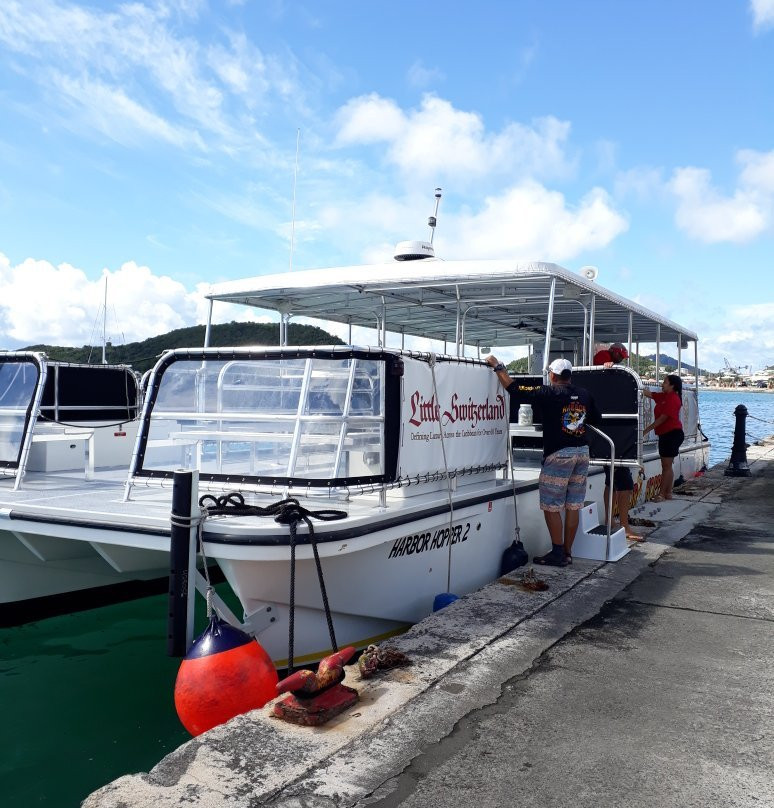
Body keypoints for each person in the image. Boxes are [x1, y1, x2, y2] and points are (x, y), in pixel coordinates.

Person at [487, 355, 602, 566]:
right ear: (569, 376)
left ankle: (557, 553)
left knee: (551, 505)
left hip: (559, 454)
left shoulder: (548, 392)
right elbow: (597, 418)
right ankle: (567, 553)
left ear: (552, 375)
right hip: (582, 452)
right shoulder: (584, 394)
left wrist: (498, 367)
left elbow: (513, 389)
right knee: (573, 505)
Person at [643, 374, 684, 501]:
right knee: (668, 465)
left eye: (665, 382)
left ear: (672, 385)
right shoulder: (665, 396)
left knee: (665, 466)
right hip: (667, 434)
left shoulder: (673, 398)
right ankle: (668, 493)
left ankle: (661, 494)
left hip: (671, 434)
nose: (662, 384)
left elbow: (663, 418)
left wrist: (645, 430)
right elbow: (649, 394)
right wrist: (637, 387)